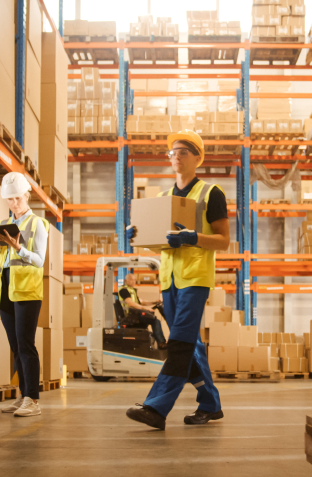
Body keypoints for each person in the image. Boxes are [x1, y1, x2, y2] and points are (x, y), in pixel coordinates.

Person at [124, 130, 231, 430]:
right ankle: (210, 403)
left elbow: (223, 240)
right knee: (189, 345)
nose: (176, 156)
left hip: (195, 279)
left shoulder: (211, 193)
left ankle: (156, 408)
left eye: (184, 151)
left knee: (179, 343)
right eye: (173, 152)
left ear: (198, 158)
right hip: (169, 281)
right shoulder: (162, 199)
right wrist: (138, 237)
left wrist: (193, 237)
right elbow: (161, 244)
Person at [0, 172, 49, 417]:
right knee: (15, 346)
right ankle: (23, 395)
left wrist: (19, 248)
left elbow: (40, 260)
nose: (14, 203)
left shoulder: (37, 224)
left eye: (18, 198)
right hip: (6, 289)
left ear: (27, 195)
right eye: (10, 199)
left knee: (26, 345)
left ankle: (33, 400)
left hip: (27, 291)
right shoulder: (5, 224)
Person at [118, 273, 167, 348]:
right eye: (131, 279)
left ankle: (160, 341)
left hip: (135, 314)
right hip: (130, 316)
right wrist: (145, 308)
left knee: (154, 318)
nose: (133, 281)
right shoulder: (124, 290)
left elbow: (142, 302)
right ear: (125, 281)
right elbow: (130, 303)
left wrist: (154, 302)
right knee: (154, 320)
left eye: (134, 280)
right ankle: (161, 343)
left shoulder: (132, 290)